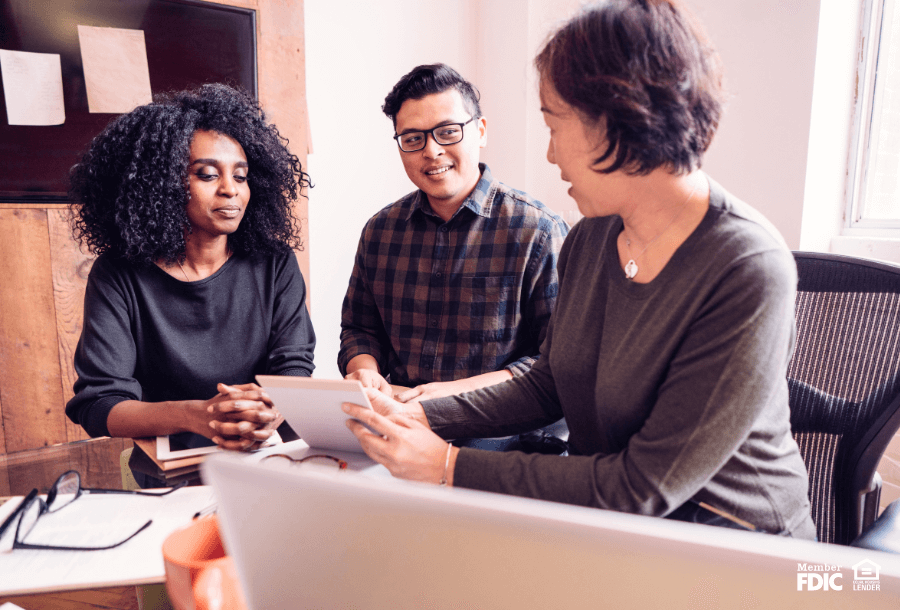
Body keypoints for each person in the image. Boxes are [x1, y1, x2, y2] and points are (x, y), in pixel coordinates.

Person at [343, 0, 817, 538]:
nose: (548, 155)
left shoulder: (745, 266)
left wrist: (447, 466)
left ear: (616, 120)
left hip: (732, 547)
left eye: (553, 124)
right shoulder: (591, 237)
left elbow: (642, 488)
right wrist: (422, 417)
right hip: (613, 531)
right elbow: (550, 385)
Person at [66, 84, 315, 467]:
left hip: (271, 458)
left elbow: (294, 366)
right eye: (207, 174)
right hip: (175, 468)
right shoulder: (119, 275)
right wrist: (198, 415)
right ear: (163, 185)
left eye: (242, 175)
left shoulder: (275, 262)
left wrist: (272, 407)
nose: (231, 190)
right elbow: (101, 404)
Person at [338, 64, 569, 410]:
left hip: (500, 430)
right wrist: (364, 370)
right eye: (413, 139)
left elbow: (556, 362)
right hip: (400, 416)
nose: (431, 151)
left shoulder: (539, 231)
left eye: (447, 132)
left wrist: (457, 393)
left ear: (480, 131)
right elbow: (359, 329)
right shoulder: (380, 231)